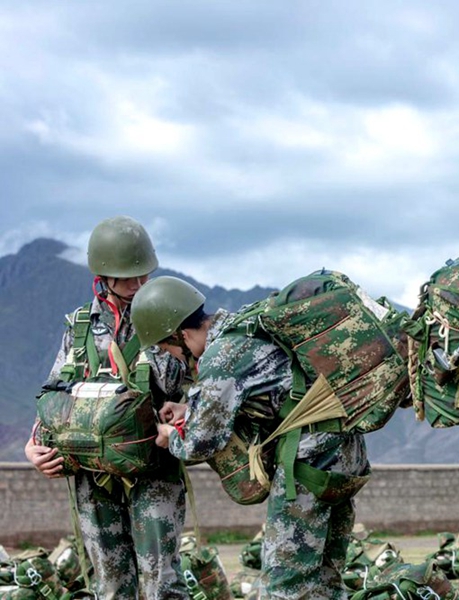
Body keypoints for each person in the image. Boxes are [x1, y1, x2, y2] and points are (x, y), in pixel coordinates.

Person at [130, 275, 369, 600]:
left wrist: (169, 435)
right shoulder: (244, 326)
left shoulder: (220, 357)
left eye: (168, 348)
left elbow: (200, 443)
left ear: (182, 335)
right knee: (325, 585)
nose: (172, 357)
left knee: (283, 588)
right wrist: (190, 408)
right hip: (347, 453)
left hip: (310, 464)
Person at [24, 216, 189, 600]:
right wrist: (34, 446)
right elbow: (55, 393)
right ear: (103, 276)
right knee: (111, 586)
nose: (138, 285)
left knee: (161, 583)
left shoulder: (166, 315)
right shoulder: (80, 326)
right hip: (92, 474)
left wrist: (153, 327)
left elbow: (185, 384)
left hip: (152, 471)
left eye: (143, 276)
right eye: (128, 277)